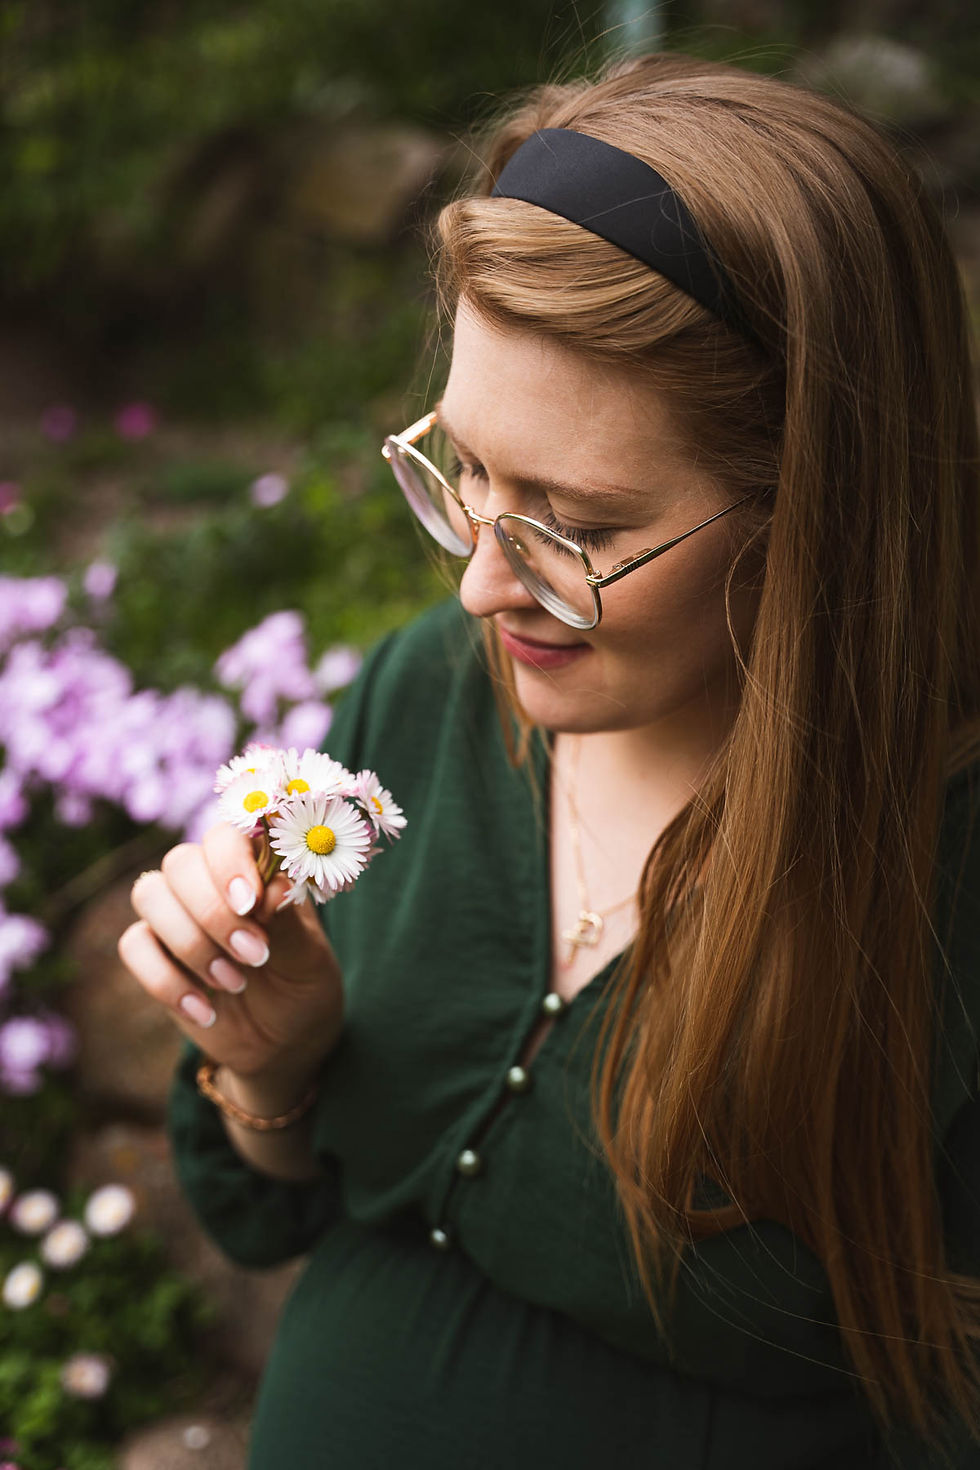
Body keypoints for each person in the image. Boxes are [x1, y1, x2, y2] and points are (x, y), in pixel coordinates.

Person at [117, 49, 980, 1470]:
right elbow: (269, 1212)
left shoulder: (939, 874)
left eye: (571, 526)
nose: (478, 589)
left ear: (815, 506)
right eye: (465, 474)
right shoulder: (420, 701)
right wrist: (272, 1067)